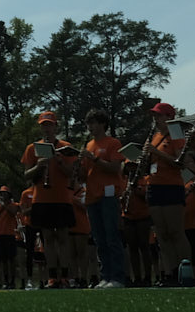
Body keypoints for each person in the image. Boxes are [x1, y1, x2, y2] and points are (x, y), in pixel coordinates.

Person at [21, 112, 77, 289]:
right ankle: (52, 276)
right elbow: (26, 175)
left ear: (55, 126)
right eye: (44, 125)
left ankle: (66, 276)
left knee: (62, 238)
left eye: (50, 125)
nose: (47, 128)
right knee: (48, 238)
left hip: (62, 198)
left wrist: (59, 162)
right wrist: (39, 166)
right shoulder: (33, 148)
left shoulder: (65, 146)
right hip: (41, 198)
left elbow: (71, 173)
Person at [80, 110, 130, 288]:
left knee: (112, 237)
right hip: (92, 196)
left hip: (108, 196)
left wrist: (93, 159)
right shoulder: (89, 145)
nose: (91, 127)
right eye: (89, 124)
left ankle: (117, 277)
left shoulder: (112, 143)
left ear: (103, 124)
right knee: (99, 239)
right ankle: (105, 275)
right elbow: (85, 174)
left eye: (94, 123)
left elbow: (115, 168)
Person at [143, 102, 191, 286]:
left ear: (169, 117)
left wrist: (157, 153)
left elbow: (181, 162)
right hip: (154, 186)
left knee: (175, 231)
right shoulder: (154, 136)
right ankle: (169, 272)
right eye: (155, 116)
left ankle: (185, 271)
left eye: (159, 116)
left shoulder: (176, 134)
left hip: (171, 186)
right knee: (161, 233)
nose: (156, 119)